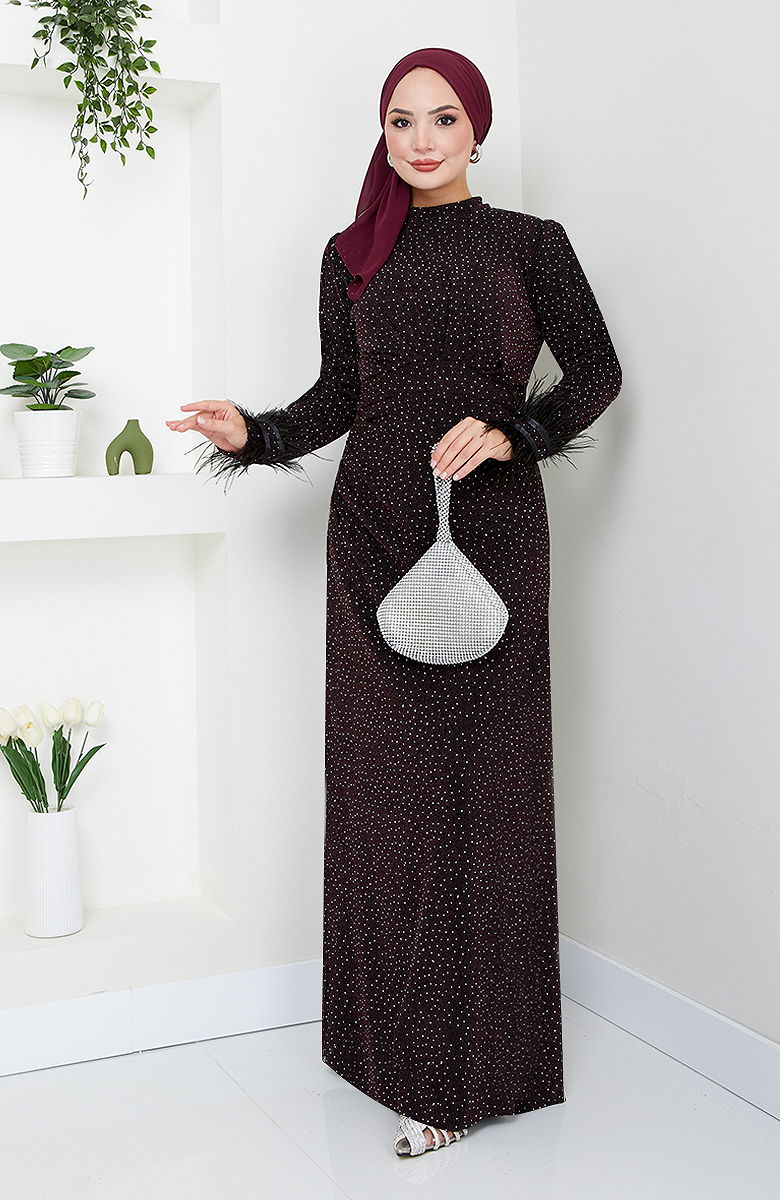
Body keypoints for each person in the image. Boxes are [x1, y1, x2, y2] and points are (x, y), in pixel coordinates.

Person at [166, 46, 623, 1158]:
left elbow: (597, 372)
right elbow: (341, 397)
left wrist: (513, 432)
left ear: (477, 129)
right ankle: (385, 1053)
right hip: (372, 534)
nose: (421, 139)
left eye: (444, 117)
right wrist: (254, 433)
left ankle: (467, 1075)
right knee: (385, 802)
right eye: (401, 120)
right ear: (383, 134)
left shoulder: (530, 243)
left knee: (481, 798)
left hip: (493, 537)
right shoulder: (351, 254)